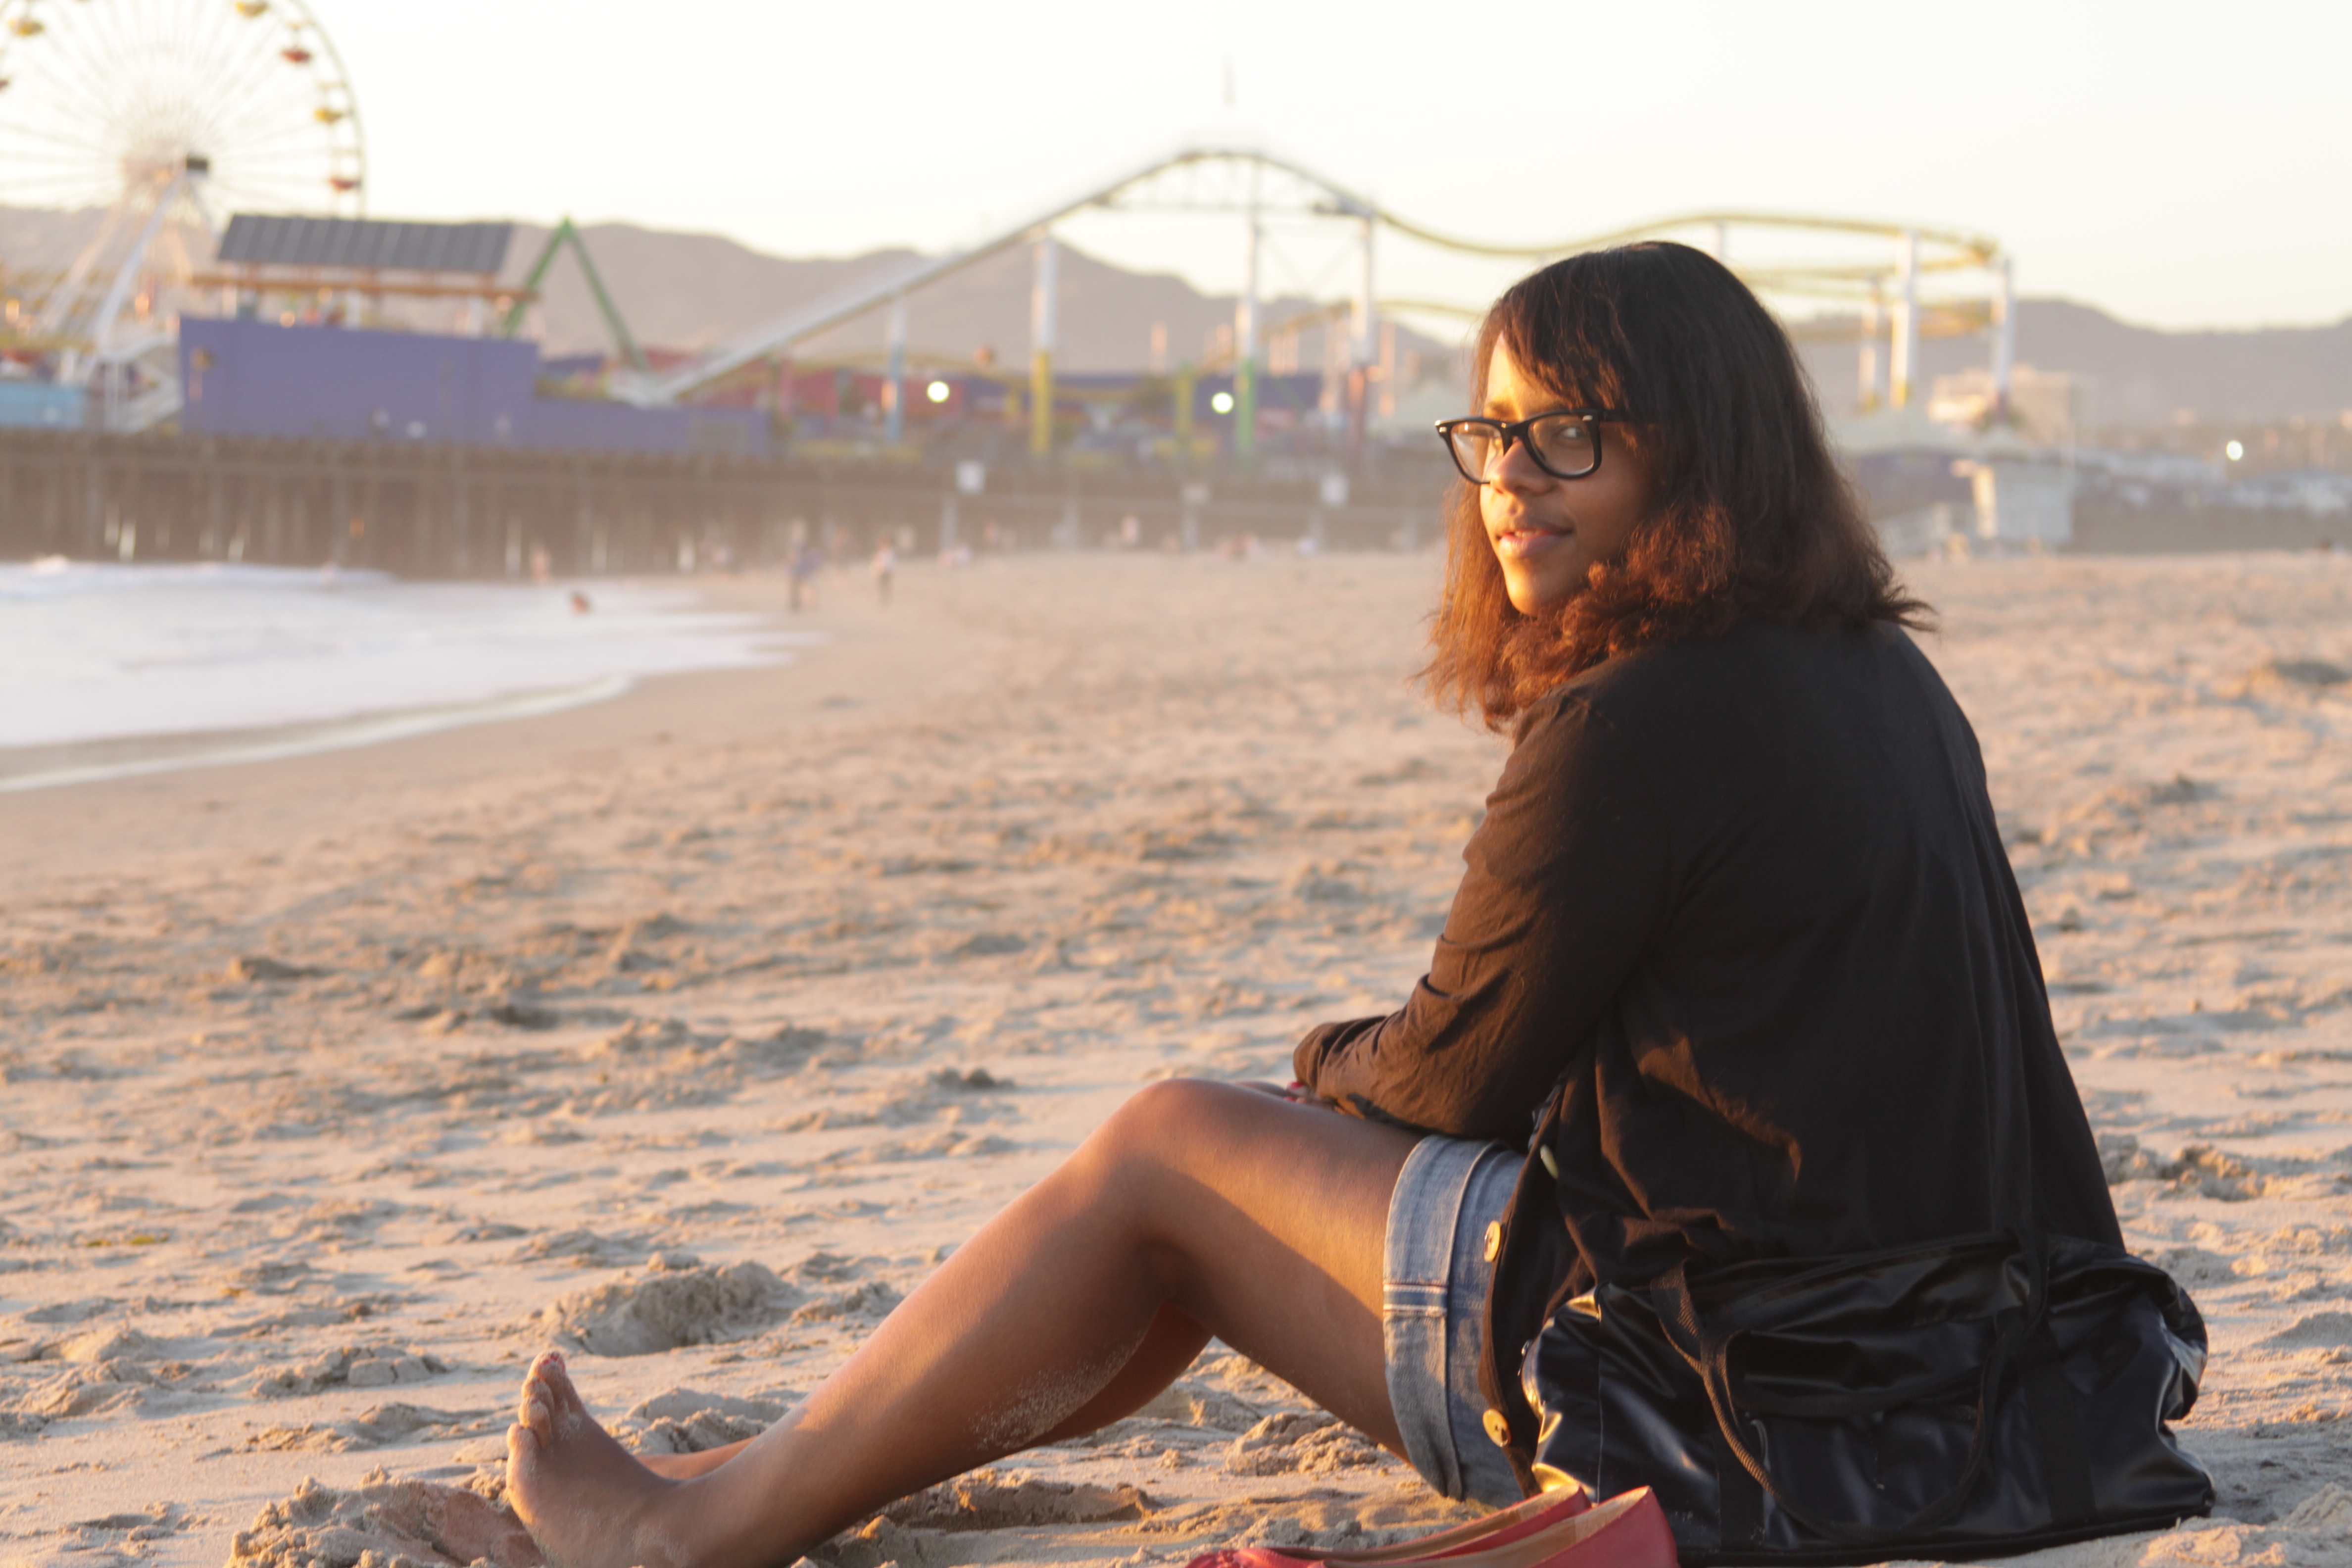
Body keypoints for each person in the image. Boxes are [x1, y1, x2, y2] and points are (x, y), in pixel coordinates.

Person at [501, 244, 2121, 1566]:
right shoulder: (1886, 675)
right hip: (1971, 1369)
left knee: (1167, 1145)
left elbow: (1449, 1077)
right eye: (1492, 433)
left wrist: (1320, 1068)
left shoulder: (1636, 719)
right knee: (1227, 1161)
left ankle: (693, 1532)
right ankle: (804, 1459)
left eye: (1570, 435)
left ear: (1698, 449)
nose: (1510, 481)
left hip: (1724, 1395)